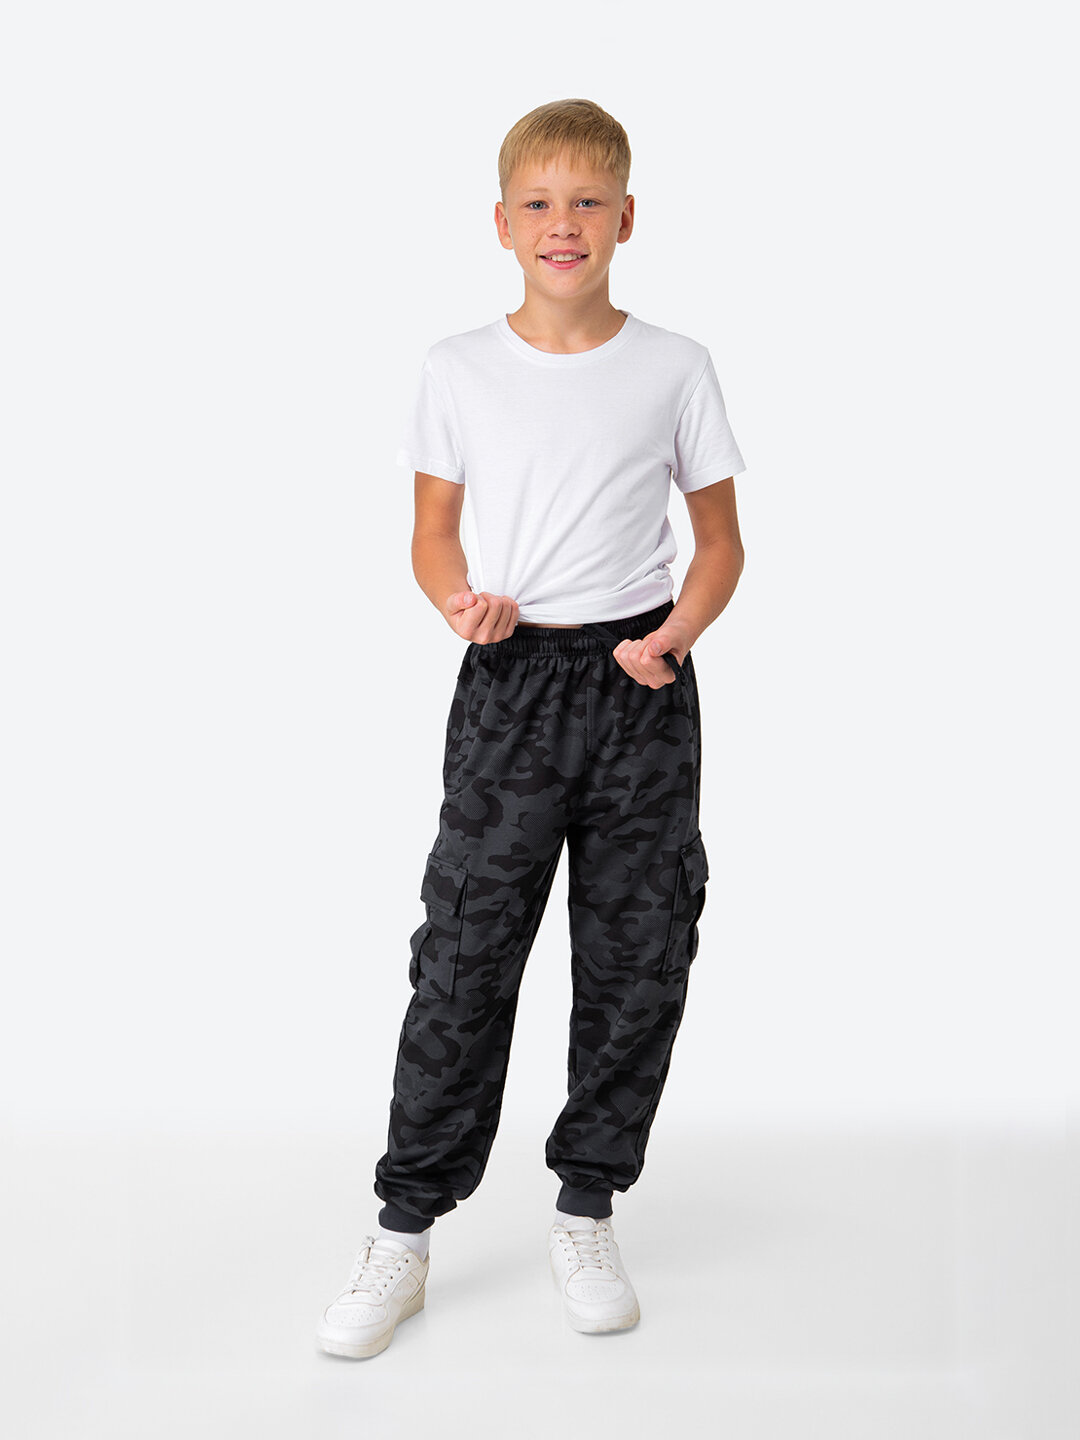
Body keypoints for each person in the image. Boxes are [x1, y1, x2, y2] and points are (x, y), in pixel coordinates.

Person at [316, 97, 746, 1359]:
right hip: (511, 684)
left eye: (589, 202)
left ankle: (586, 1208)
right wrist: (458, 603)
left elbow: (719, 544)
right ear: (502, 224)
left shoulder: (676, 366)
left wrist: (675, 636)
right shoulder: (458, 368)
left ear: (628, 218)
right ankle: (404, 1232)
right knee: (465, 951)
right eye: (541, 204)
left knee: (638, 950)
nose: (566, 224)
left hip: (640, 683)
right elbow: (430, 533)